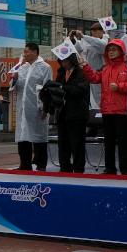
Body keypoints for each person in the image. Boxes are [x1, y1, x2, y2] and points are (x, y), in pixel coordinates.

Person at [81, 38, 127, 175]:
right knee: (109, 142)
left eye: (114, 49)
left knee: (124, 142)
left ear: (121, 50)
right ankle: (110, 169)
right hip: (107, 110)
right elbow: (95, 78)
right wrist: (85, 66)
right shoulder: (105, 67)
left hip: (123, 111)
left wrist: (119, 87)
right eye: (109, 50)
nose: (111, 52)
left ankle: (125, 170)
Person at [8, 42, 51, 171]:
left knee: (39, 137)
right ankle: (25, 164)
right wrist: (14, 78)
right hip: (23, 108)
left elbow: (47, 88)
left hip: (37, 108)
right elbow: (15, 86)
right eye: (24, 52)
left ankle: (41, 165)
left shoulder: (45, 67)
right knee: (23, 137)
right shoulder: (22, 68)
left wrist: (45, 108)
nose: (24, 54)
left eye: (27, 52)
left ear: (35, 52)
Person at [51, 44, 90, 173]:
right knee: (63, 144)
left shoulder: (81, 72)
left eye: (66, 60)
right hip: (63, 113)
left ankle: (78, 169)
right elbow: (56, 87)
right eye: (61, 60)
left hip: (77, 114)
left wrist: (63, 88)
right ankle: (64, 168)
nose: (64, 63)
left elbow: (80, 90)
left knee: (77, 144)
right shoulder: (61, 72)